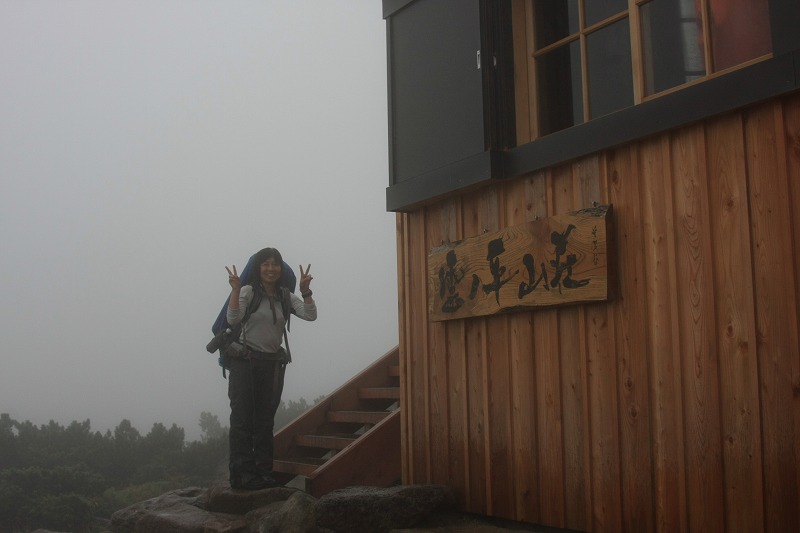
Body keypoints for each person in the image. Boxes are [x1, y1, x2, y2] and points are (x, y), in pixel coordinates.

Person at [224, 247, 317, 490]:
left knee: (265, 420)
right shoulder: (247, 291)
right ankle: (242, 475)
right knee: (243, 419)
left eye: (275, 264)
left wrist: (306, 291)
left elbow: (310, 315)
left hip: (271, 364)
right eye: (265, 264)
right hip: (244, 361)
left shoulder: (285, 296)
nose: (271, 268)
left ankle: (263, 472)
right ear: (258, 268)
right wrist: (235, 290)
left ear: (280, 268)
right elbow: (233, 319)